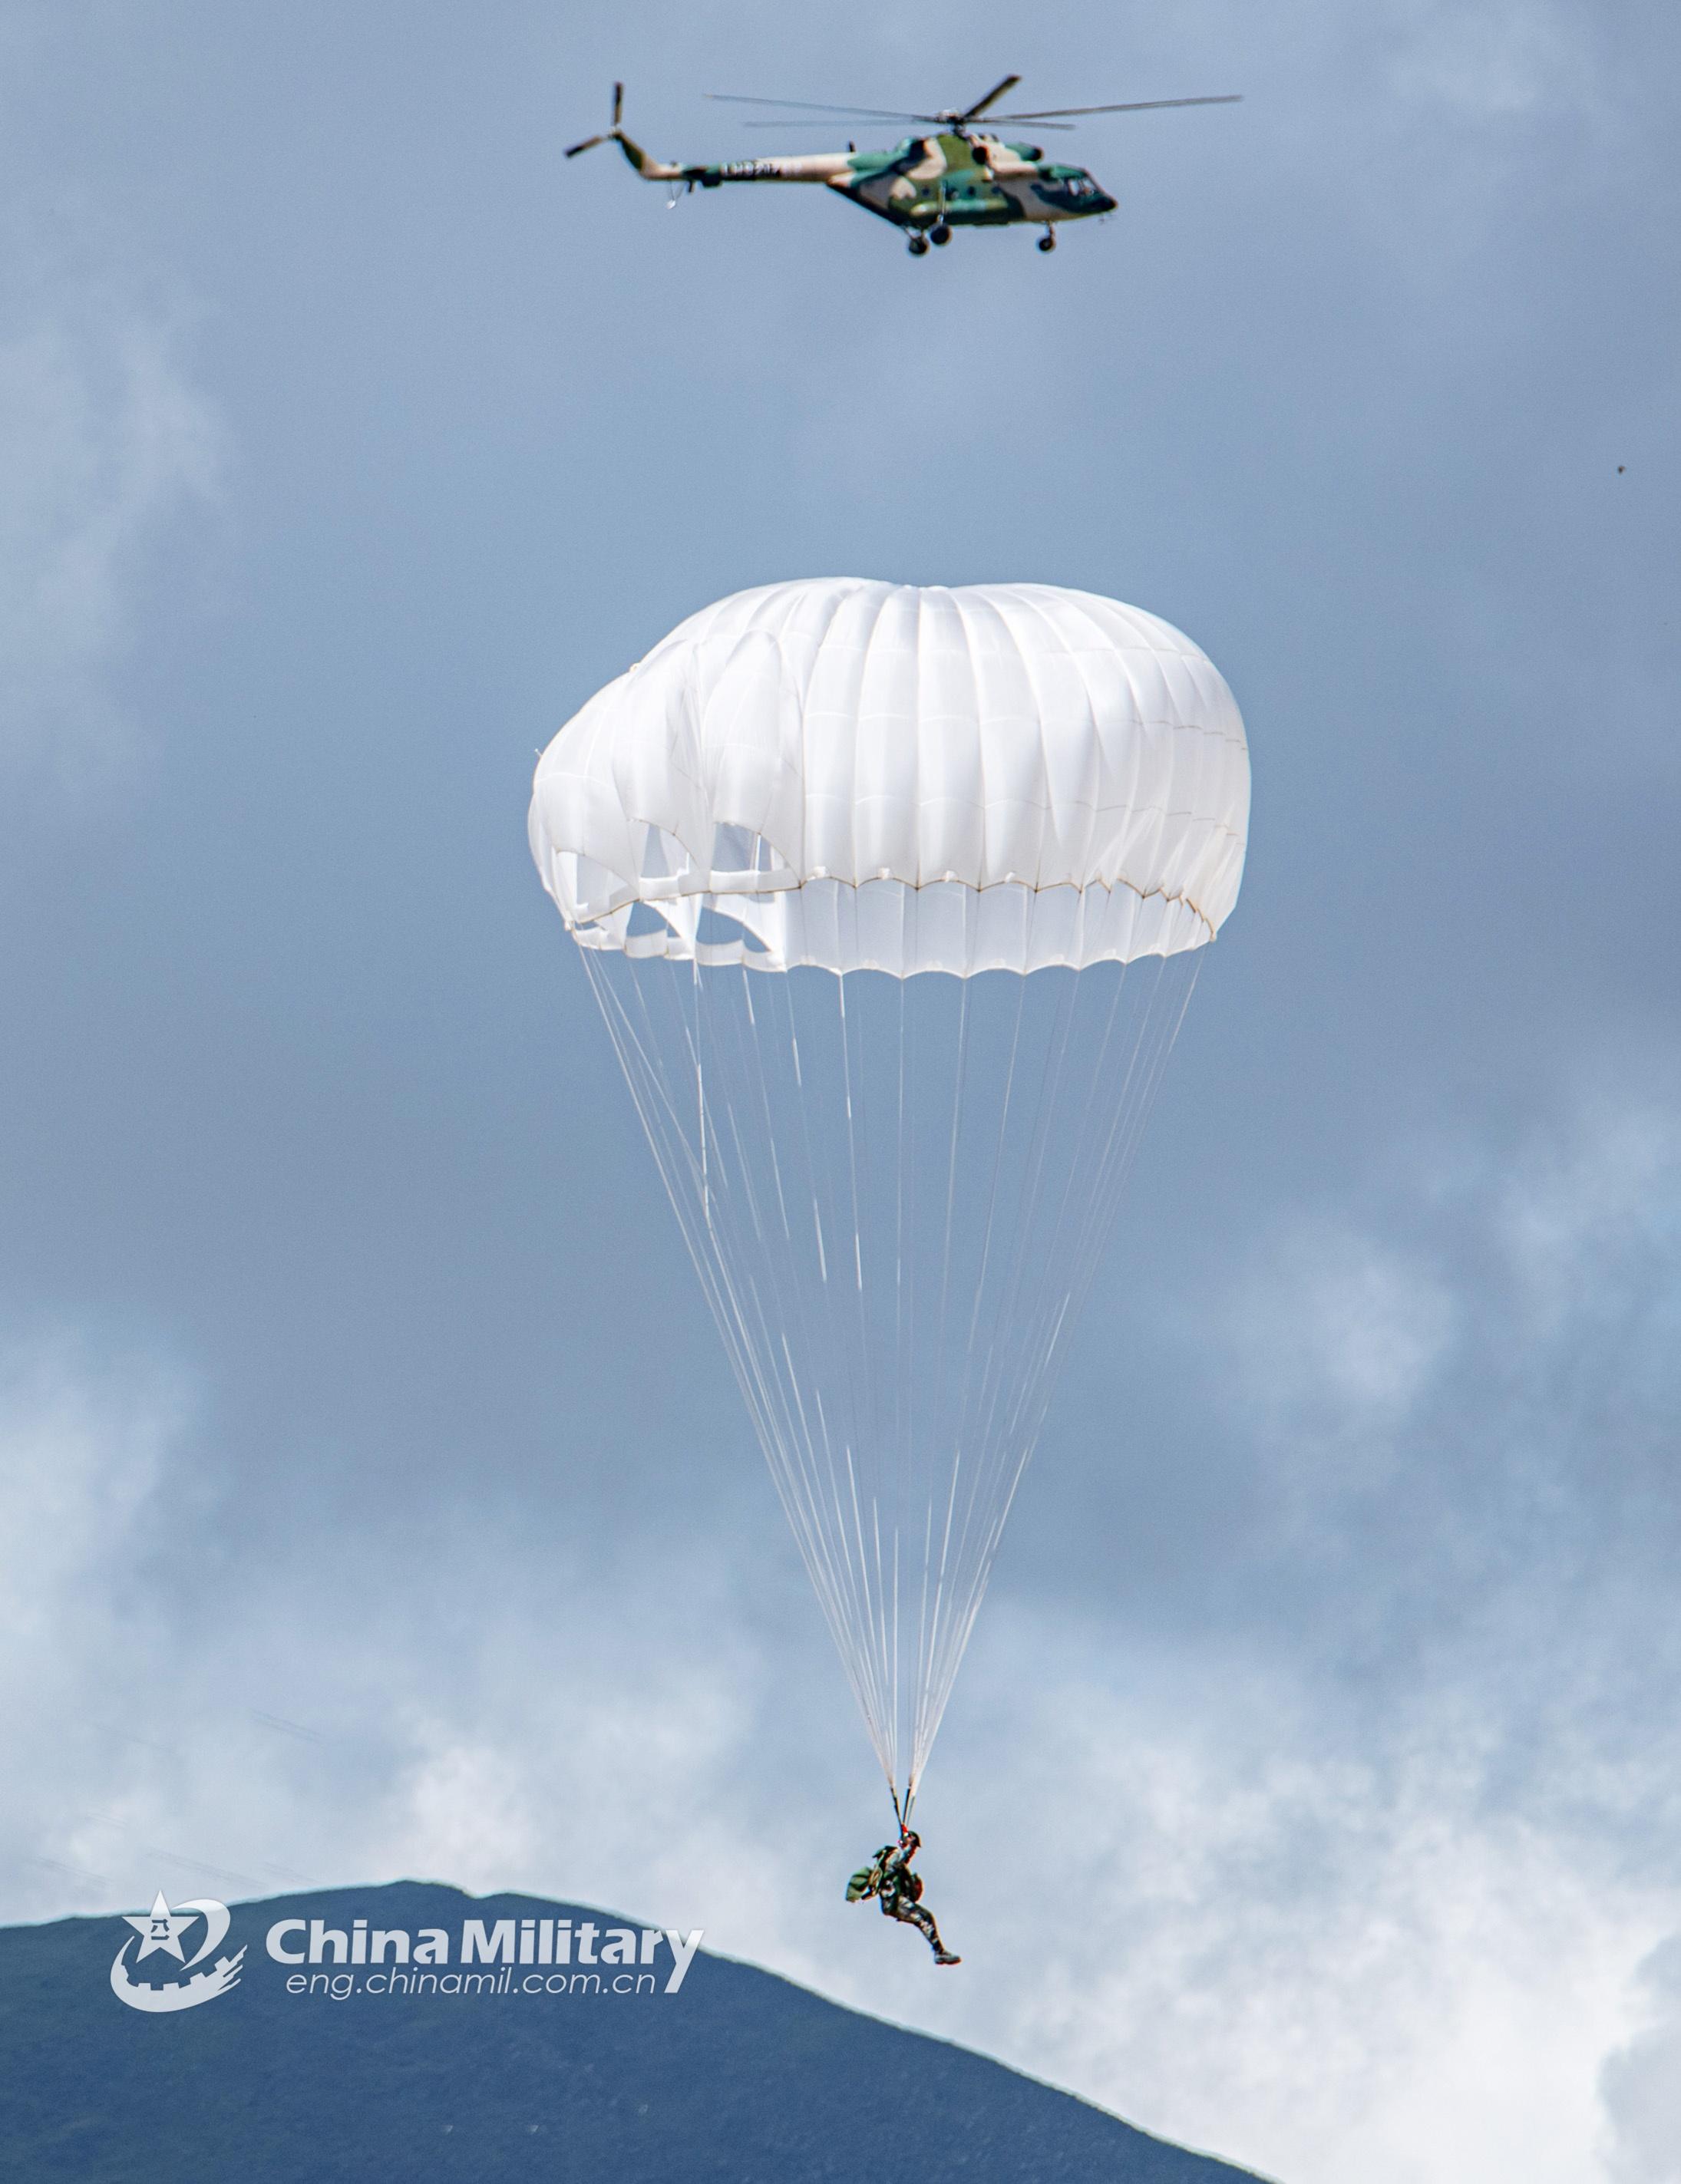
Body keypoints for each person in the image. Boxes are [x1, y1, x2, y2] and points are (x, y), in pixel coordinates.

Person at [845, 1828, 959, 1965]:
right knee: (925, 1918)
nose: (913, 1853)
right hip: (894, 1901)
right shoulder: (895, 1856)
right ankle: (939, 1952)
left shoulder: (899, 1864)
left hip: (894, 1902)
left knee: (923, 1919)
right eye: (913, 1849)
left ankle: (939, 1952)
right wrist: (909, 1844)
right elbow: (897, 1861)